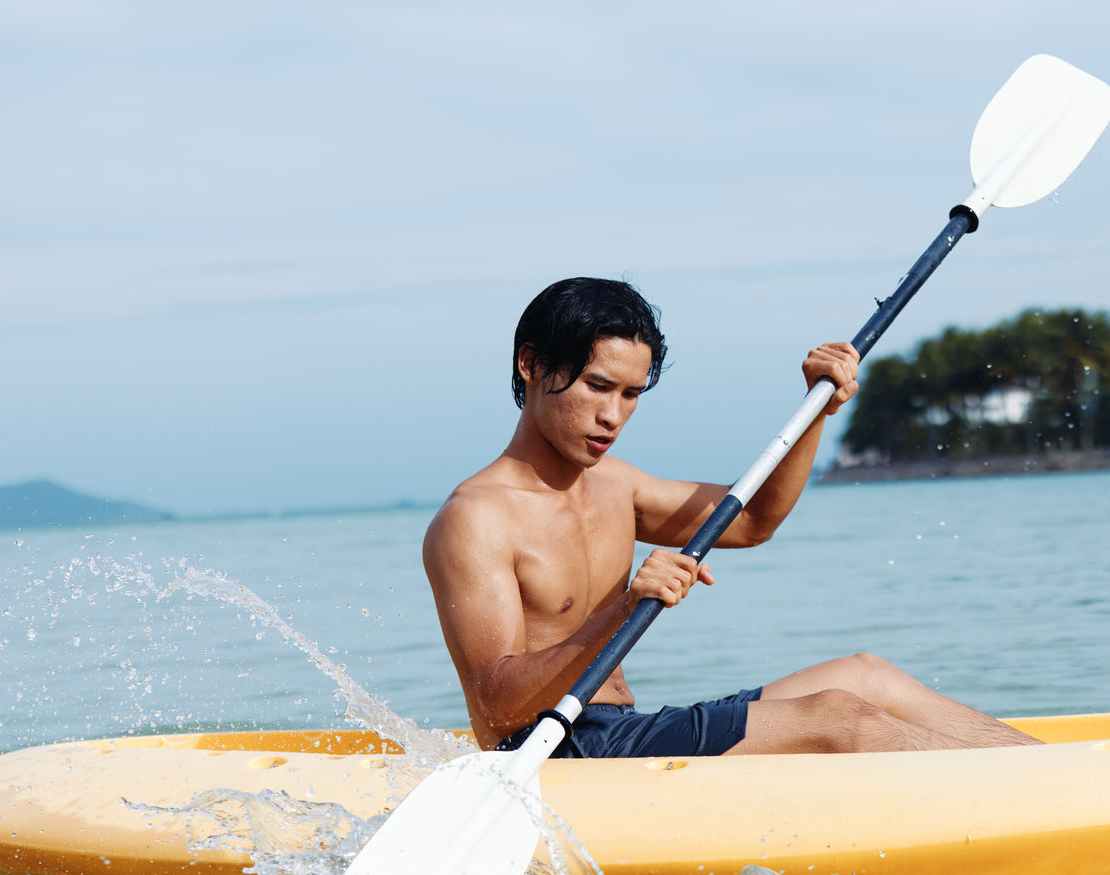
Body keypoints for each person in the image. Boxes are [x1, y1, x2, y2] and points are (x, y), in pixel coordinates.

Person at [421, 276, 1048, 758]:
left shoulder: (616, 485)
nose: (613, 415)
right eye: (597, 385)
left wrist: (816, 410)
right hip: (557, 752)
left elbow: (751, 523)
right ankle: (1045, 797)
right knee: (838, 716)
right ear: (531, 365)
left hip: (626, 730)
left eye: (631, 394)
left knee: (867, 678)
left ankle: (1064, 771)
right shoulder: (475, 520)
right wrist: (622, 608)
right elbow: (497, 708)